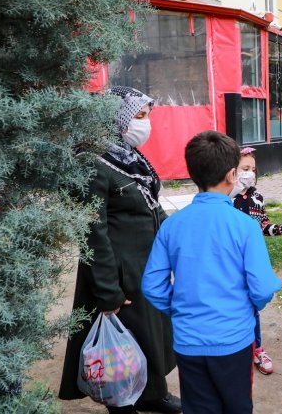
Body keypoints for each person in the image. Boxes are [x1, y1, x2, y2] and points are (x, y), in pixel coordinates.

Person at [59, 86, 181, 414]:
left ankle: (153, 393)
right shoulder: (93, 162)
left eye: (146, 116)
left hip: (145, 267)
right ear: (117, 118)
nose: (145, 124)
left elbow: (151, 206)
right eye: (139, 116)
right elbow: (92, 232)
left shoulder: (127, 155)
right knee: (123, 341)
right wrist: (108, 290)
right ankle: (121, 402)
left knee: (151, 334)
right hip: (118, 273)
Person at [142, 131, 282, 414]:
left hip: (188, 341)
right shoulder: (244, 226)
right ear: (232, 175)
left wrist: (180, 309)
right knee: (237, 406)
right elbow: (263, 287)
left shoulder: (172, 225)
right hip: (234, 339)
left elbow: (152, 285)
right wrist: (247, 308)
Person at [231, 146, 282, 375]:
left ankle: (257, 349)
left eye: (252, 169)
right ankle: (234, 350)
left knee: (252, 306)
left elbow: (263, 226)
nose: (249, 173)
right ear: (232, 170)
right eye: (244, 168)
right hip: (229, 262)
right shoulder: (224, 197)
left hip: (250, 261)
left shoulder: (256, 197)